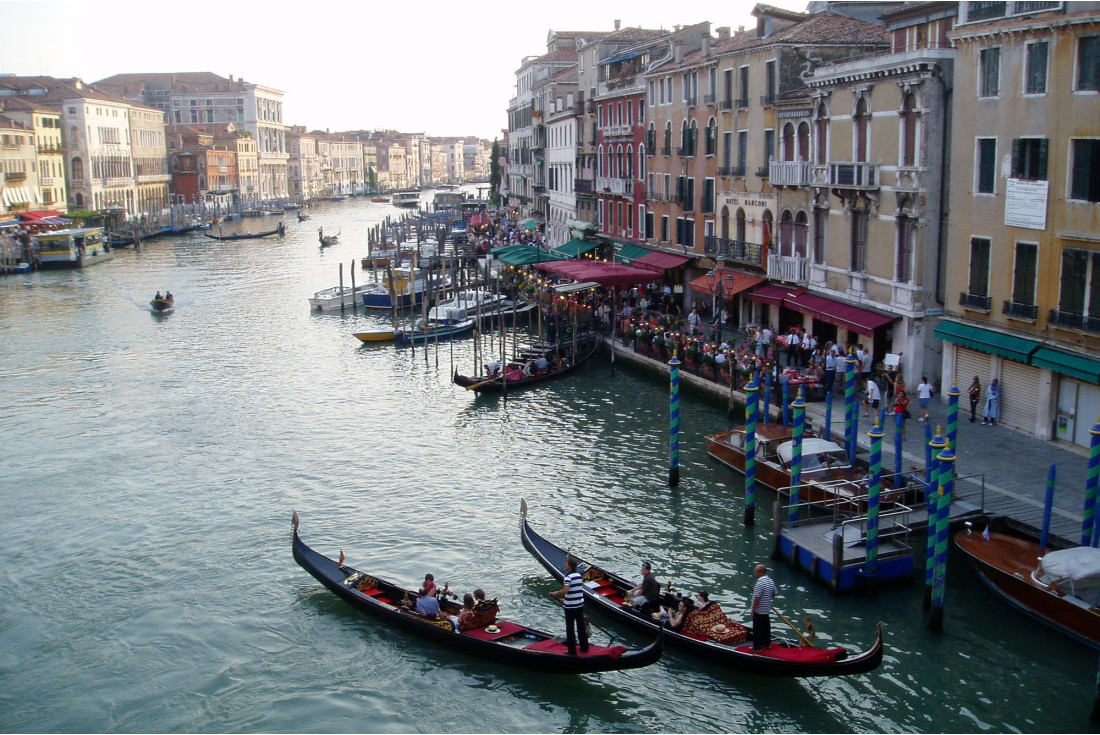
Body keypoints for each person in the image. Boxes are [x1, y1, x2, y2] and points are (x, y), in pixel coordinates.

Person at [549, 557, 589, 655]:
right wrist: (565, 600)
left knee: (570, 628)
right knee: (581, 627)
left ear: (569, 566)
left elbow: (566, 590)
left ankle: (572, 651)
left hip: (570, 608)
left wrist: (555, 593)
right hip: (579, 605)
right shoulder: (579, 576)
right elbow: (576, 590)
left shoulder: (568, 577)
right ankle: (584, 647)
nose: (565, 565)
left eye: (566, 564)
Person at [751, 564, 777, 651]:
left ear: (761, 572)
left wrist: (753, 610)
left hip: (759, 609)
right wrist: (767, 596)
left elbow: (757, 598)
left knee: (757, 629)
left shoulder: (760, 583)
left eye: (756, 571)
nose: (755, 572)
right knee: (766, 627)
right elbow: (775, 593)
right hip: (766, 609)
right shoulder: (770, 581)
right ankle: (767, 644)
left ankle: (757, 647)